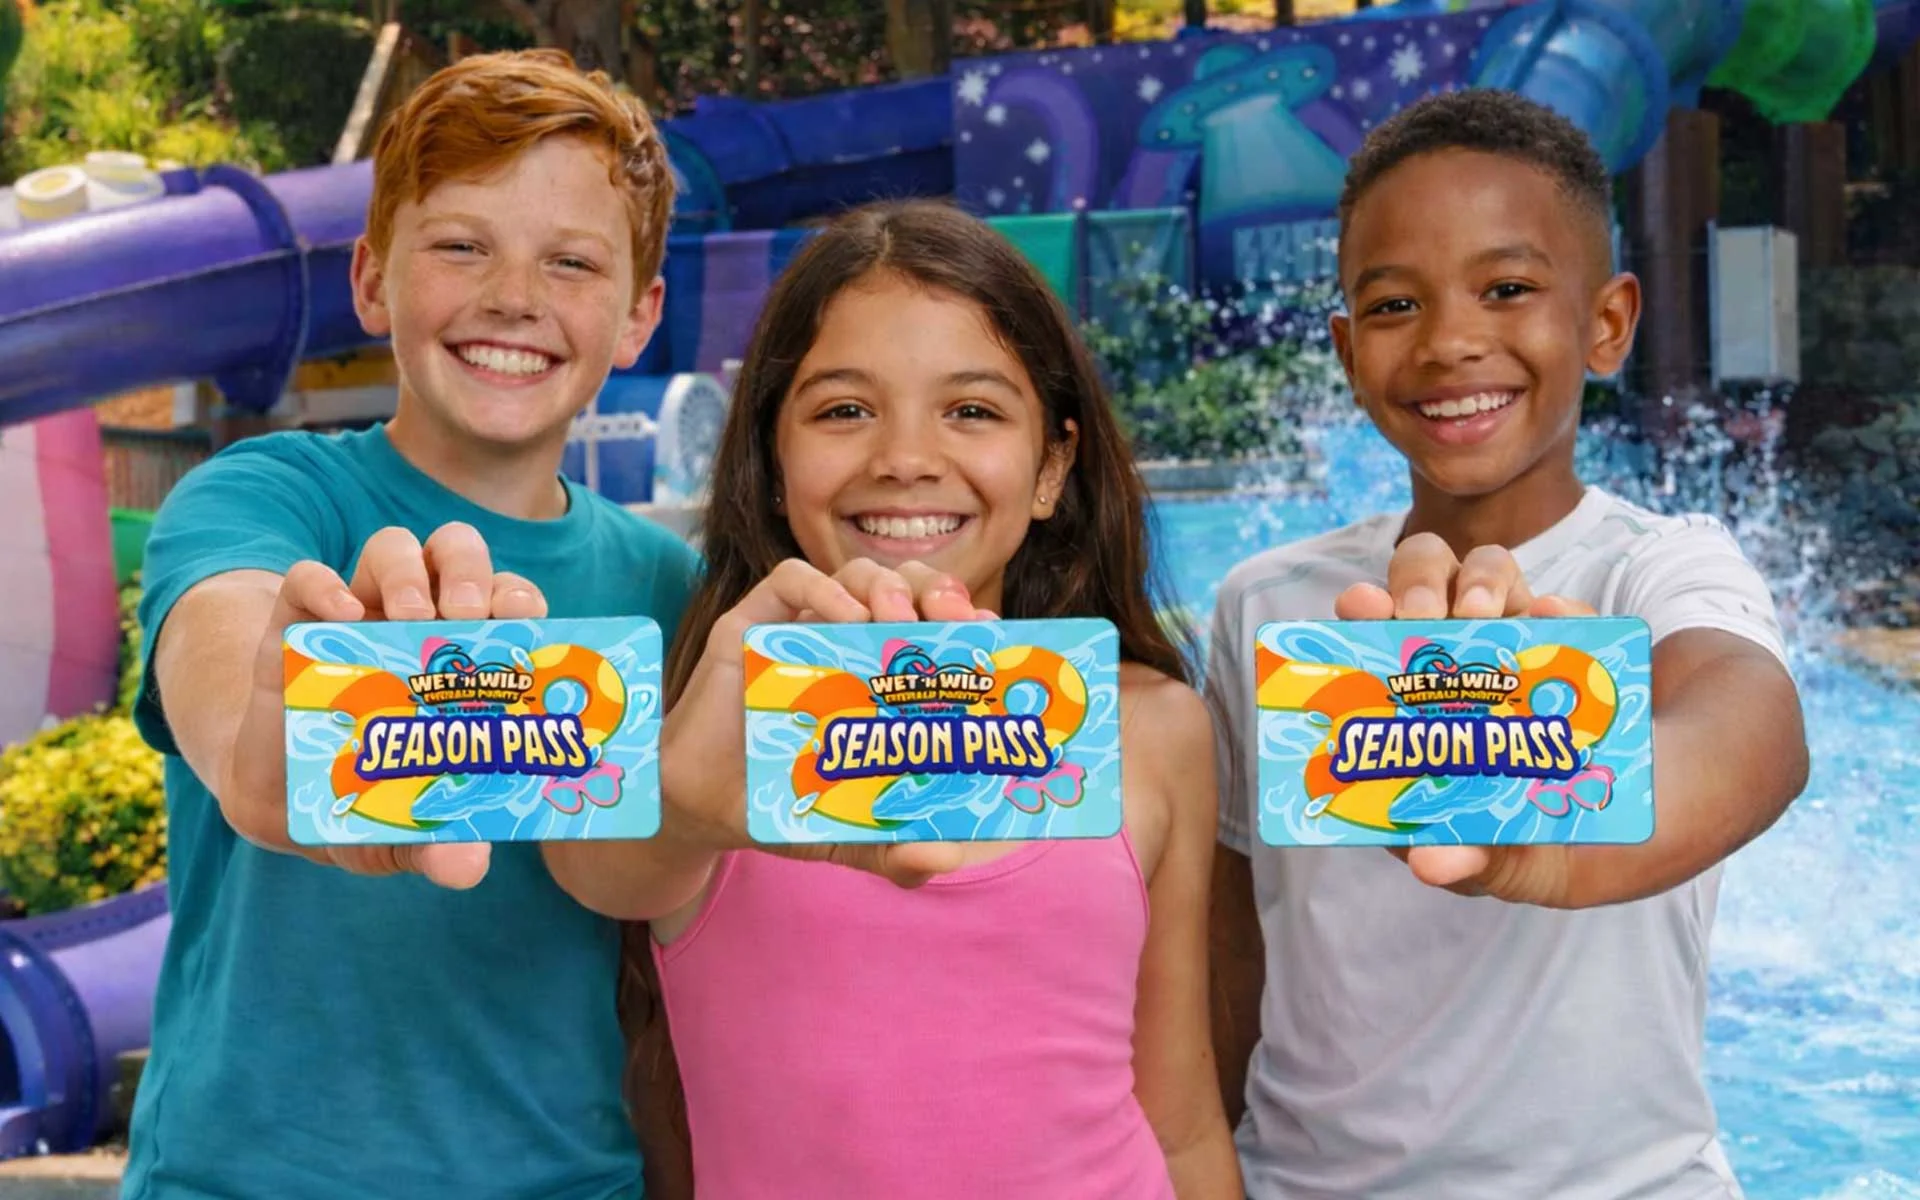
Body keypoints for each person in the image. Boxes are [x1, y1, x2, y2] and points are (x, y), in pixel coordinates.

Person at [544, 198, 1243, 1198]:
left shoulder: (1154, 724)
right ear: (773, 465)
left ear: (1051, 466)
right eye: (843, 410)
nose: (905, 458)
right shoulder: (699, 725)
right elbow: (604, 870)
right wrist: (693, 802)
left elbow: (1179, 1121)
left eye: (972, 410)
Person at [1207, 89, 1811, 1199]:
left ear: (1606, 324)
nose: (1449, 341)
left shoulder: (1661, 573)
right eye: (1394, 305)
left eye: (1509, 289)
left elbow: (1752, 730)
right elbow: (1240, 943)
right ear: (1345, 347)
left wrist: (1563, 845)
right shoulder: (1264, 605)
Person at [123, 50, 693, 1199]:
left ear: (637, 318)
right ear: (373, 282)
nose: (514, 297)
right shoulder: (258, 498)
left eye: (570, 262)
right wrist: (286, 746)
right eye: (462, 244)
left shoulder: (672, 589)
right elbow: (241, 715)